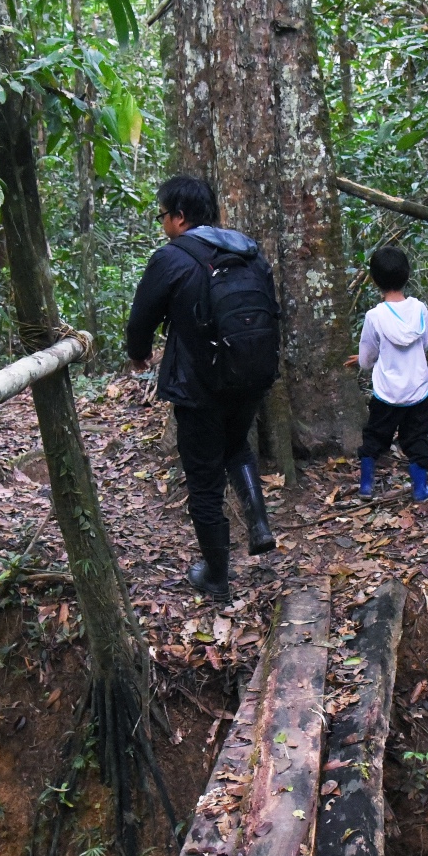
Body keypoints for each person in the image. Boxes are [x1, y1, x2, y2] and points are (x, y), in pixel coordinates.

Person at [124, 175, 277, 604]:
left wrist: (138, 354)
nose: (162, 225)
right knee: (236, 447)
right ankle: (259, 524)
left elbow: (141, 320)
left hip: (198, 385)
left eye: (163, 216)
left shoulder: (171, 257)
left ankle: (216, 574)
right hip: (250, 377)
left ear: (179, 216)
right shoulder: (247, 250)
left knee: (204, 479)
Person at [344, 245, 428, 502]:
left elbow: (367, 357)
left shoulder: (375, 316)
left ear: (374, 280)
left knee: (374, 437)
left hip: (386, 394)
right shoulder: (419, 310)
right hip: (418, 391)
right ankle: (420, 489)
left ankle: (365, 486)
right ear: (407, 275)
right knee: (417, 439)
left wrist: (361, 361)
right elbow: (425, 343)